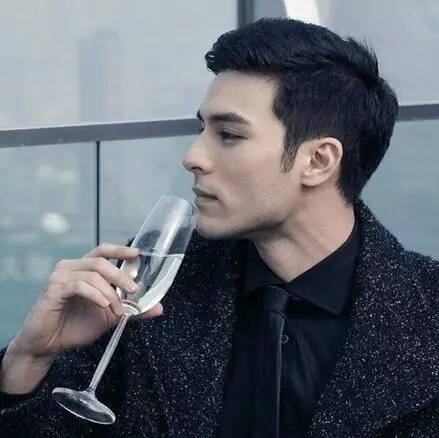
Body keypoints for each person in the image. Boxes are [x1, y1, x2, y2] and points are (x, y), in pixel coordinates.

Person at [1, 17, 438, 437]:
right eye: (202, 129)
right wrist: (28, 359)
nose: (192, 156)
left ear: (318, 161)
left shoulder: (426, 315)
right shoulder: (148, 289)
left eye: (228, 135)